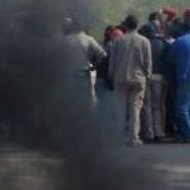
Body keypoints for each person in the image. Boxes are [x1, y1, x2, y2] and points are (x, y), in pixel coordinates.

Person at [109, 14, 152, 145]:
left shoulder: (118, 41)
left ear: (126, 26)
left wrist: (111, 75)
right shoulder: (144, 41)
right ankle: (133, 137)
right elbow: (147, 62)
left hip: (121, 78)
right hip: (138, 78)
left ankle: (118, 136)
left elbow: (113, 61)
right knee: (135, 108)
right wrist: (147, 75)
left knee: (120, 108)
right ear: (137, 25)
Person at [138, 21, 170, 142]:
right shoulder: (163, 44)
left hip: (146, 77)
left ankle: (149, 133)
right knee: (158, 106)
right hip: (160, 77)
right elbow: (168, 62)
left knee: (147, 106)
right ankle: (159, 131)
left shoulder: (143, 44)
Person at [63, 18, 107, 104]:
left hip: (69, 75)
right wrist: (94, 66)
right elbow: (103, 56)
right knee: (85, 100)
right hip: (84, 74)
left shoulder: (66, 40)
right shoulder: (89, 39)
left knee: (69, 101)